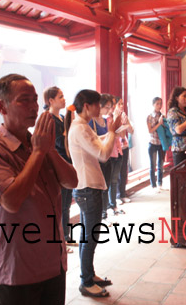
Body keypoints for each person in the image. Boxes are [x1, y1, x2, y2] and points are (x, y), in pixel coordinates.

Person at [0, 74, 78, 305]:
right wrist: (39, 152)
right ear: (2, 106)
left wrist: (47, 149)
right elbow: (11, 201)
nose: (33, 107)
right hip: (17, 273)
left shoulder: (38, 143)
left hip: (53, 264)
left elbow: (72, 181)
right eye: (24, 100)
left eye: (34, 99)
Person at [68, 89, 122, 298]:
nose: (100, 108)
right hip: (87, 187)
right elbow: (103, 153)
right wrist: (112, 132)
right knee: (91, 236)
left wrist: (110, 133)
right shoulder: (80, 128)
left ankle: (88, 274)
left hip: (87, 187)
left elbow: (97, 144)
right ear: (87, 106)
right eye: (97, 104)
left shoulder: (81, 126)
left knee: (88, 235)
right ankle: (86, 281)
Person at [43, 86, 74, 252]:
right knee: (59, 204)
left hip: (67, 163)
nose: (64, 99)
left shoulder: (62, 117)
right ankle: (59, 240)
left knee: (66, 204)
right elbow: (59, 144)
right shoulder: (48, 119)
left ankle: (66, 238)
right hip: (57, 166)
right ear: (51, 101)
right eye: (60, 97)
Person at [89, 93, 121, 221]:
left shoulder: (105, 120)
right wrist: (110, 135)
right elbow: (92, 140)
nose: (109, 110)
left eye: (110, 107)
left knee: (105, 186)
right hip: (96, 159)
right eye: (107, 107)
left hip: (107, 157)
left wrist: (112, 134)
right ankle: (100, 215)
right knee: (98, 189)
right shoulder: (91, 121)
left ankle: (104, 213)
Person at [115, 96, 134, 204]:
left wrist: (127, 123)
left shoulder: (124, 116)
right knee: (116, 173)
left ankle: (122, 194)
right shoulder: (113, 116)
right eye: (119, 104)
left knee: (123, 171)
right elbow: (116, 132)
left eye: (122, 104)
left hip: (125, 146)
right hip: (116, 148)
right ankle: (117, 196)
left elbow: (131, 131)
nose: (122, 106)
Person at [146, 97, 166, 192]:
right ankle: (153, 185)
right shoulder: (150, 116)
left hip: (161, 143)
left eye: (160, 103)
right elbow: (150, 130)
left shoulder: (163, 115)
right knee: (152, 165)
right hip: (153, 143)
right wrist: (159, 123)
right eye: (157, 103)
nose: (159, 106)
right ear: (153, 104)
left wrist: (164, 123)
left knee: (161, 165)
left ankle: (160, 184)